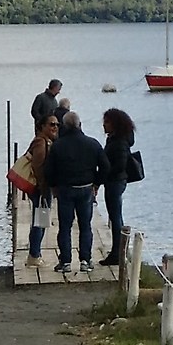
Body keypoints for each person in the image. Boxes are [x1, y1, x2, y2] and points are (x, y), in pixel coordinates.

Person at [43, 110, 105, 276]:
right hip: (86, 188)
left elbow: (49, 171)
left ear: (64, 126)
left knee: (65, 226)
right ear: (80, 125)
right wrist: (97, 182)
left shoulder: (58, 146)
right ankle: (86, 261)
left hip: (65, 189)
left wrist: (54, 186)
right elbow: (105, 167)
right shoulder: (93, 144)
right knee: (85, 226)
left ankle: (65, 262)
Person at [10, 113, 59, 261]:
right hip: (41, 189)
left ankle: (35, 253)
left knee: (41, 220)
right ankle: (34, 255)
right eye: (51, 124)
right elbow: (37, 166)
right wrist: (43, 187)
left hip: (42, 189)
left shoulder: (46, 141)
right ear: (42, 126)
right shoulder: (41, 142)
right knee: (40, 221)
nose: (55, 127)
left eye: (57, 124)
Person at [100, 106, 137, 269]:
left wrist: (104, 174)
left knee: (115, 217)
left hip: (115, 181)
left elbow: (120, 165)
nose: (104, 125)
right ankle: (119, 250)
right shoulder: (115, 139)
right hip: (114, 181)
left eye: (107, 122)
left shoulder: (120, 142)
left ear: (115, 123)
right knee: (115, 216)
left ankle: (117, 253)